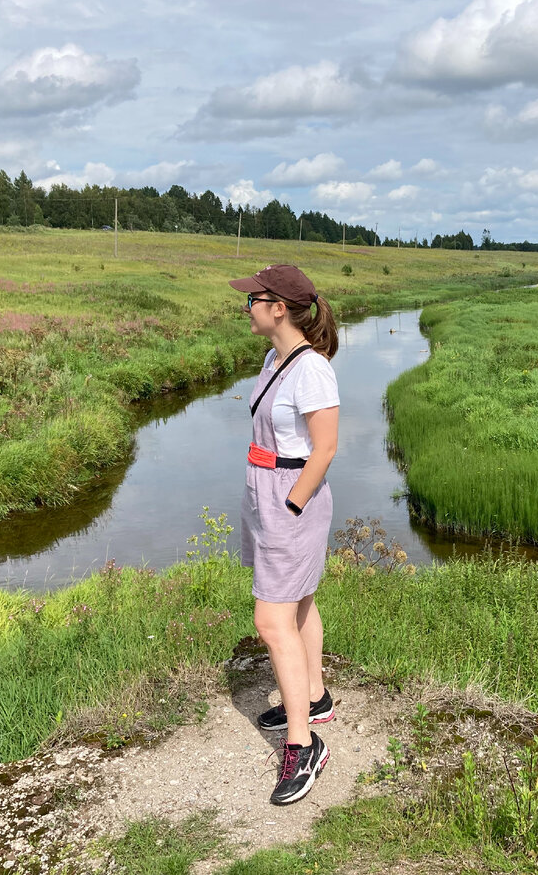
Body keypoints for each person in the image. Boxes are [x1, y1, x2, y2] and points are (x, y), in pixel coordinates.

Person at [228, 263, 340, 806]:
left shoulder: (311, 370)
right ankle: (314, 697)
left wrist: (291, 504)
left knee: (270, 620)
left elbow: (325, 448)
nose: (243, 305)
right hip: (266, 489)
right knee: (298, 605)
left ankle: (304, 743)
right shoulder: (276, 358)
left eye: (250, 298)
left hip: (289, 497)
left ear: (279, 308)